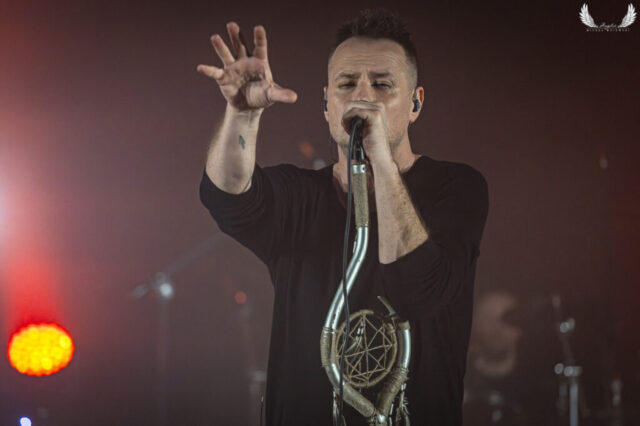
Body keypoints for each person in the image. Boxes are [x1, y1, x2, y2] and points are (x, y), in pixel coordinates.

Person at [197, 8, 488, 426]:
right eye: (347, 84)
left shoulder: (456, 187)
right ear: (326, 104)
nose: (362, 97)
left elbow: (418, 289)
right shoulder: (297, 196)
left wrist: (379, 157)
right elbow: (226, 196)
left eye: (382, 85)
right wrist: (241, 115)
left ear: (415, 103)